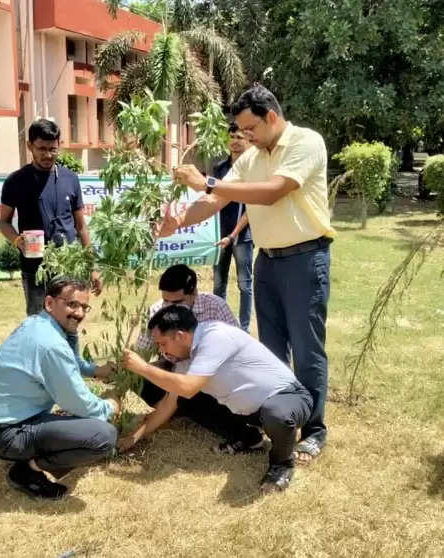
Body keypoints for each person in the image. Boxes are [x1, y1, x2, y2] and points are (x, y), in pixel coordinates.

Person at [165, 85, 335, 463]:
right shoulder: (253, 155)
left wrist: (207, 180)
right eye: (240, 130)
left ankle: (314, 430)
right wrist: (177, 222)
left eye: (250, 128)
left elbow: (274, 191)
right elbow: (215, 200)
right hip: (268, 260)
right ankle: (278, 421)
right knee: (270, 351)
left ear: (271, 116)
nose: (245, 137)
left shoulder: (306, 143)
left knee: (307, 350)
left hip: (306, 259)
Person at [122, 306, 313, 493]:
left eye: (162, 343)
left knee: (277, 414)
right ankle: (248, 438)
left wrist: (143, 368)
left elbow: (187, 387)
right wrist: (134, 437)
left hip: (287, 397)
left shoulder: (215, 337)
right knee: (187, 399)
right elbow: (168, 404)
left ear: (180, 336)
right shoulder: (187, 359)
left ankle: (282, 464)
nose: (161, 351)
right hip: (251, 410)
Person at [0, 277, 119, 499]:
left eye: (84, 307)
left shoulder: (37, 323)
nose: (79, 313)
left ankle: (31, 454)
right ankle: (27, 471)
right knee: (103, 436)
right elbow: (78, 401)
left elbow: (72, 361)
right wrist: (109, 406)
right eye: (72, 304)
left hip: (0, 424)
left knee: (77, 421)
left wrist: (98, 371)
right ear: (49, 303)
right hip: (10, 434)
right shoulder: (50, 343)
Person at [133, 264, 263, 453]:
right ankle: (178, 409)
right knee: (139, 378)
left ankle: (243, 432)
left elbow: (235, 353)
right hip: (179, 374)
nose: (168, 308)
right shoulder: (156, 310)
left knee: (190, 393)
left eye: (176, 302)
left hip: (214, 376)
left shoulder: (216, 307)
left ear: (193, 292)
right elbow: (141, 355)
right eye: (165, 301)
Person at [0, 119, 102, 316]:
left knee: (70, 320)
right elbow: (3, 223)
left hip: (68, 267)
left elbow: (81, 227)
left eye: (53, 149)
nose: (48, 155)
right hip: (34, 268)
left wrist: (92, 267)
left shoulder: (70, 179)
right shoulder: (16, 181)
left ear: (59, 145)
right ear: (29, 146)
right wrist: (17, 241)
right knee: (38, 322)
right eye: (42, 148)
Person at [213, 123, 254, 333]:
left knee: (244, 285)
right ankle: (220, 327)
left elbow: (251, 210)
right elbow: (211, 199)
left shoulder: (253, 170)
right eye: (231, 137)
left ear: (248, 140)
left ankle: (244, 330)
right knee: (219, 284)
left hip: (242, 236)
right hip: (219, 236)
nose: (235, 142)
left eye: (239, 137)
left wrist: (234, 234)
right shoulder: (220, 169)